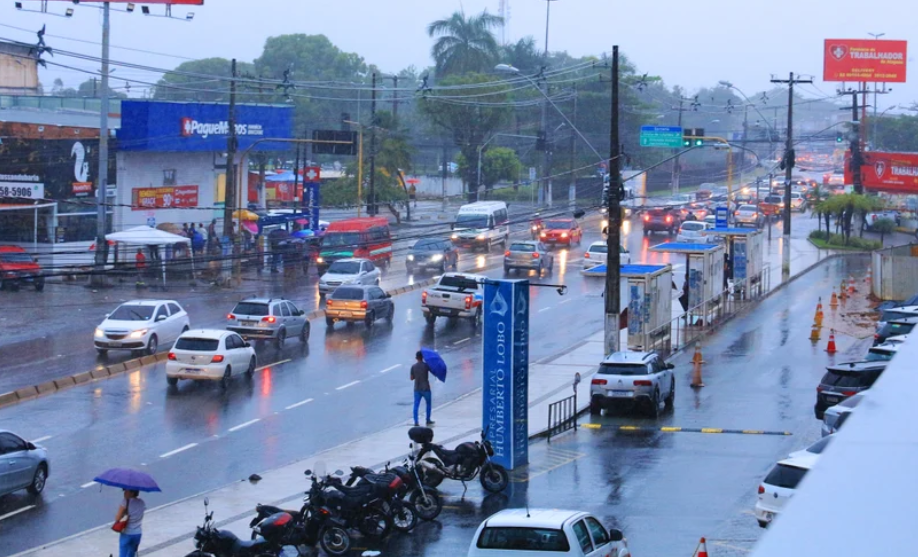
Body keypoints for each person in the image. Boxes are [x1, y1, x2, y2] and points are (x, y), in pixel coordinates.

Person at [114, 489, 145, 557]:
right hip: (137, 533)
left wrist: (123, 514)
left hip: (127, 533)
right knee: (132, 555)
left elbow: (117, 518)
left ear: (132, 492)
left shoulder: (125, 502)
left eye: (126, 490)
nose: (124, 492)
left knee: (123, 554)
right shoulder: (142, 502)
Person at [410, 351, 434, 427]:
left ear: (416, 358)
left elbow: (411, 378)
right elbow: (433, 371)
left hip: (417, 388)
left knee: (416, 405)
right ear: (422, 357)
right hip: (426, 388)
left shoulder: (413, 367)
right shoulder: (426, 366)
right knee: (428, 404)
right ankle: (428, 420)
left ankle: (416, 421)